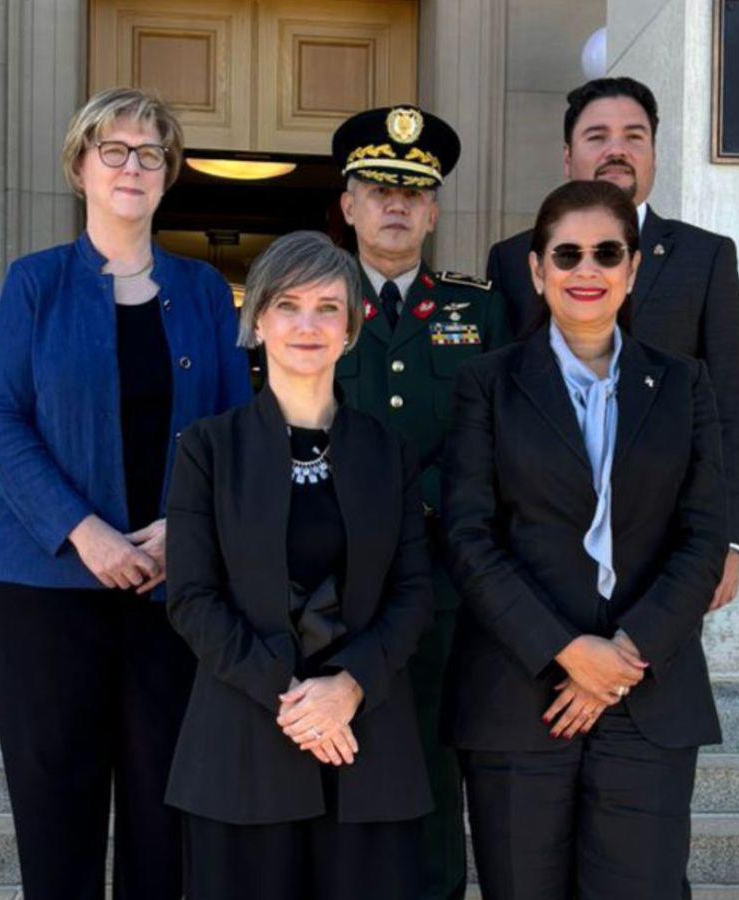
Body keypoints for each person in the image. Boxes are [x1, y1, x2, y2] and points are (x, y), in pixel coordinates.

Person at [0, 87, 250, 900]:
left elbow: (234, 431)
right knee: (56, 805)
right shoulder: (36, 284)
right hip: (43, 585)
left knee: (165, 814)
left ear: (169, 176)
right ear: (81, 167)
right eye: (115, 151)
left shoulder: (203, 292)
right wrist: (83, 530)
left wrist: (185, 531)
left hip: (173, 591)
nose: (134, 166)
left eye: (152, 153)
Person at [443, 180, 728, 899]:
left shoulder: (685, 385)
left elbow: (702, 537)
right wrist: (570, 653)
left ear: (633, 268)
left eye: (607, 252)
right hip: (521, 695)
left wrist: (622, 659)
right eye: (566, 254)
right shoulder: (486, 384)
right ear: (538, 272)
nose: (587, 269)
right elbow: (470, 537)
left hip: (648, 697)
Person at [164, 230, 434, 900]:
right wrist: (294, 701)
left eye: (327, 307)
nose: (307, 324)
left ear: (351, 326)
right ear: (257, 320)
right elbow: (192, 598)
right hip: (242, 748)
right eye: (288, 305)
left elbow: (413, 594)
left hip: (366, 745)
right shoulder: (208, 449)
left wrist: (347, 689)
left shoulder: (387, 451)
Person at [486, 76, 739, 613]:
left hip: (667, 553)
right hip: (539, 553)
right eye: (597, 136)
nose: (617, 149)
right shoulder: (515, 260)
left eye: (634, 136)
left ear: (654, 154)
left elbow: (732, 406)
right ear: (568, 157)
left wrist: (728, 539)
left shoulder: (705, 259)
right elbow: (497, 405)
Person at [330, 105, 511, 900]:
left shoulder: (481, 310)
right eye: (377, 187)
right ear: (348, 205)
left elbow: (496, 438)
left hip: (444, 580)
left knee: (437, 751)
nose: (395, 203)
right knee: (337, 749)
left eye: (413, 190)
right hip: (332, 577)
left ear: (435, 209)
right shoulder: (311, 305)